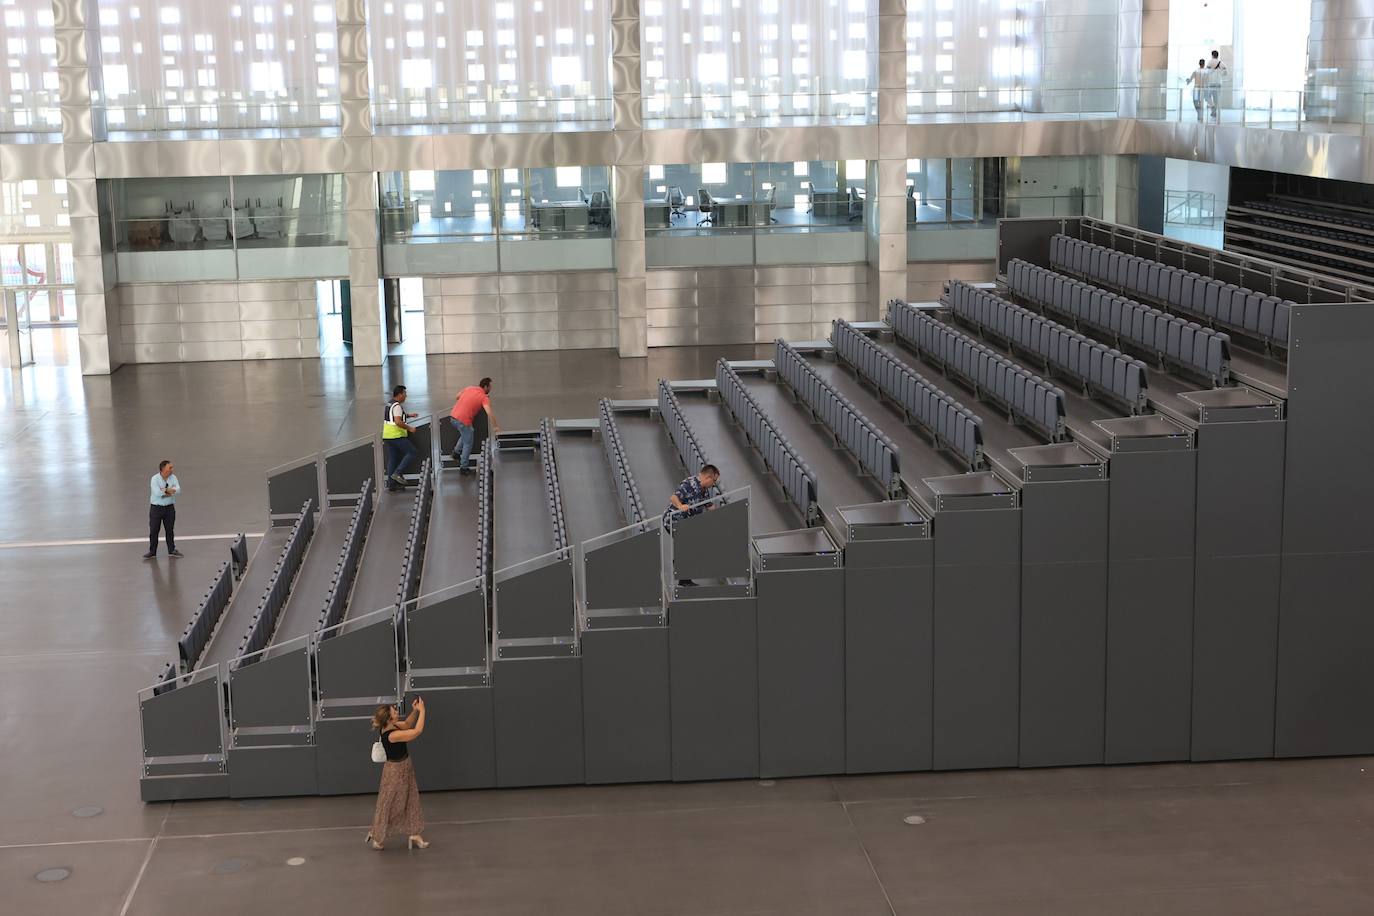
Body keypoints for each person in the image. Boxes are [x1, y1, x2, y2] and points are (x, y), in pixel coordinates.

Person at [366, 698, 429, 851]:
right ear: (390, 718)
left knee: (411, 798)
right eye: (394, 711)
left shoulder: (391, 726)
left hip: (405, 766)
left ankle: (414, 833)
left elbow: (407, 724)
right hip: (395, 772)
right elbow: (417, 731)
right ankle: (377, 835)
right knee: (389, 804)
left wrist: (415, 711)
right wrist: (423, 711)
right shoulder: (391, 735)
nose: (396, 710)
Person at [664, 464, 721, 586]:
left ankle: (684, 578)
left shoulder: (704, 490)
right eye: (714, 481)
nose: (714, 484)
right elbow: (673, 497)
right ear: (708, 477)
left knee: (690, 545)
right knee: (687, 545)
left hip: (687, 523)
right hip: (674, 520)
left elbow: (709, 505)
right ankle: (682, 575)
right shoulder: (689, 484)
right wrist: (680, 506)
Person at [449, 377, 501, 474]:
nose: (490, 389)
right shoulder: (483, 398)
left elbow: (457, 396)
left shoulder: (470, 388)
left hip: (453, 417)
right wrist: (495, 426)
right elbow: (489, 411)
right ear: (485, 387)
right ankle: (463, 468)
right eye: (490, 387)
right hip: (463, 420)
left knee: (466, 434)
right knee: (468, 443)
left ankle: (456, 452)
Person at [144, 460, 183, 560]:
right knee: (154, 530)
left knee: (170, 529)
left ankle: (171, 550)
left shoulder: (173, 478)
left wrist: (164, 491)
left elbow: (178, 490)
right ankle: (152, 551)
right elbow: (157, 493)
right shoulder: (154, 479)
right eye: (170, 468)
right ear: (163, 469)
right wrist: (170, 491)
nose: (172, 469)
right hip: (156, 508)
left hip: (169, 508)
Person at [382, 385, 419, 492]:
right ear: (400, 394)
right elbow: (397, 421)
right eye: (405, 394)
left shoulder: (390, 403)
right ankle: (398, 473)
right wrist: (410, 428)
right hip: (396, 435)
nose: (406, 396)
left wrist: (409, 415)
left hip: (387, 436)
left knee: (393, 459)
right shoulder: (397, 406)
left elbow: (393, 417)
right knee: (412, 452)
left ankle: (391, 485)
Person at [1206, 50, 1227, 122]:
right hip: (1218, 83)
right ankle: (1214, 112)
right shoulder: (1221, 63)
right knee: (1216, 98)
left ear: (1212, 55)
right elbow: (1225, 72)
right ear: (1217, 55)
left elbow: (1207, 72)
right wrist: (1220, 74)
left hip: (1211, 82)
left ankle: (1212, 108)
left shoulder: (1209, 62)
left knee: (1207, 96)